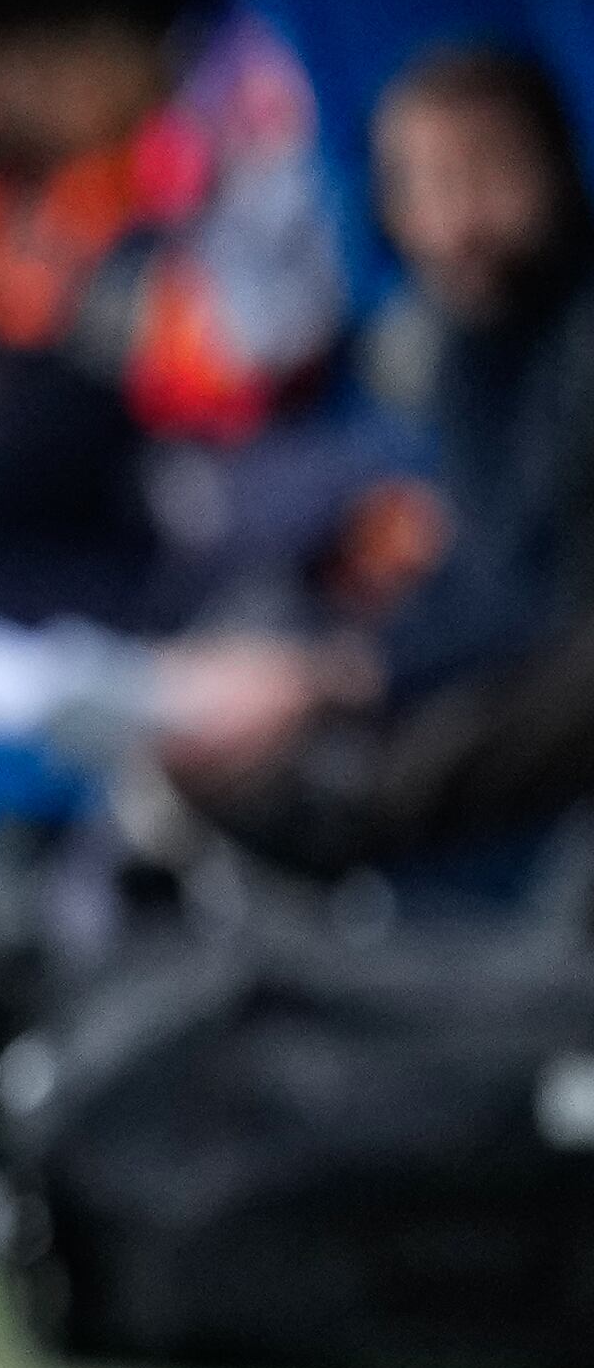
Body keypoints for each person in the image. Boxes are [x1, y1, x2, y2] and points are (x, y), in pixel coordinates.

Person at [161, 44, 594, 875]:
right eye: (423, 187)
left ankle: (332, 827)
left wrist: (343, 676)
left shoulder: (576, 343)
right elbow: (483, 579)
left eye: (487, 176)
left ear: (559, 168)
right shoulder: (469, 342)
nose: (455, 222)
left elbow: (539, 604)